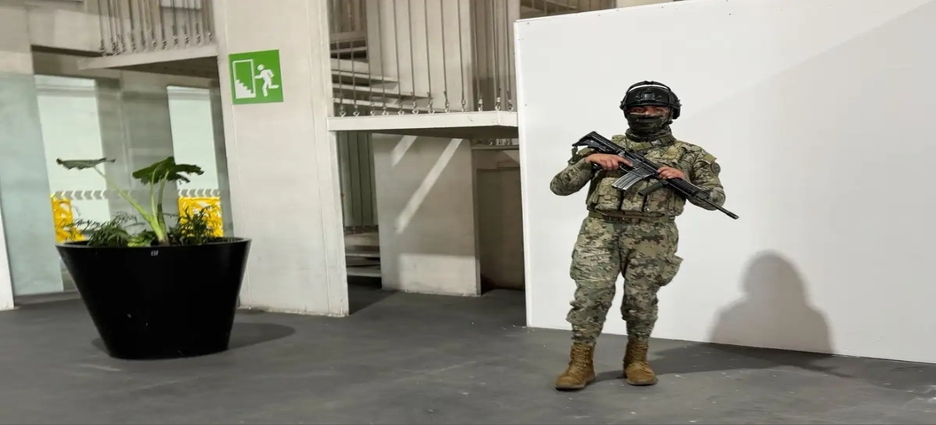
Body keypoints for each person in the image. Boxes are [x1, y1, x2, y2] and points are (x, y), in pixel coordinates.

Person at [549, 81, 727, 391]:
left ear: (671, 113)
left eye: (657, 109)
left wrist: (685, 181)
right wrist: (588, 162)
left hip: (655, 234)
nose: (647, 114)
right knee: (591, 295)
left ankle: (636, 361)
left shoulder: (691, 154)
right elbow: (559, 187)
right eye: (639, 109)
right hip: (600, 230)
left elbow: (715, 201)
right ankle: (580, 364)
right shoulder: (602, 147)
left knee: (641, 300)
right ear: (627, 112)